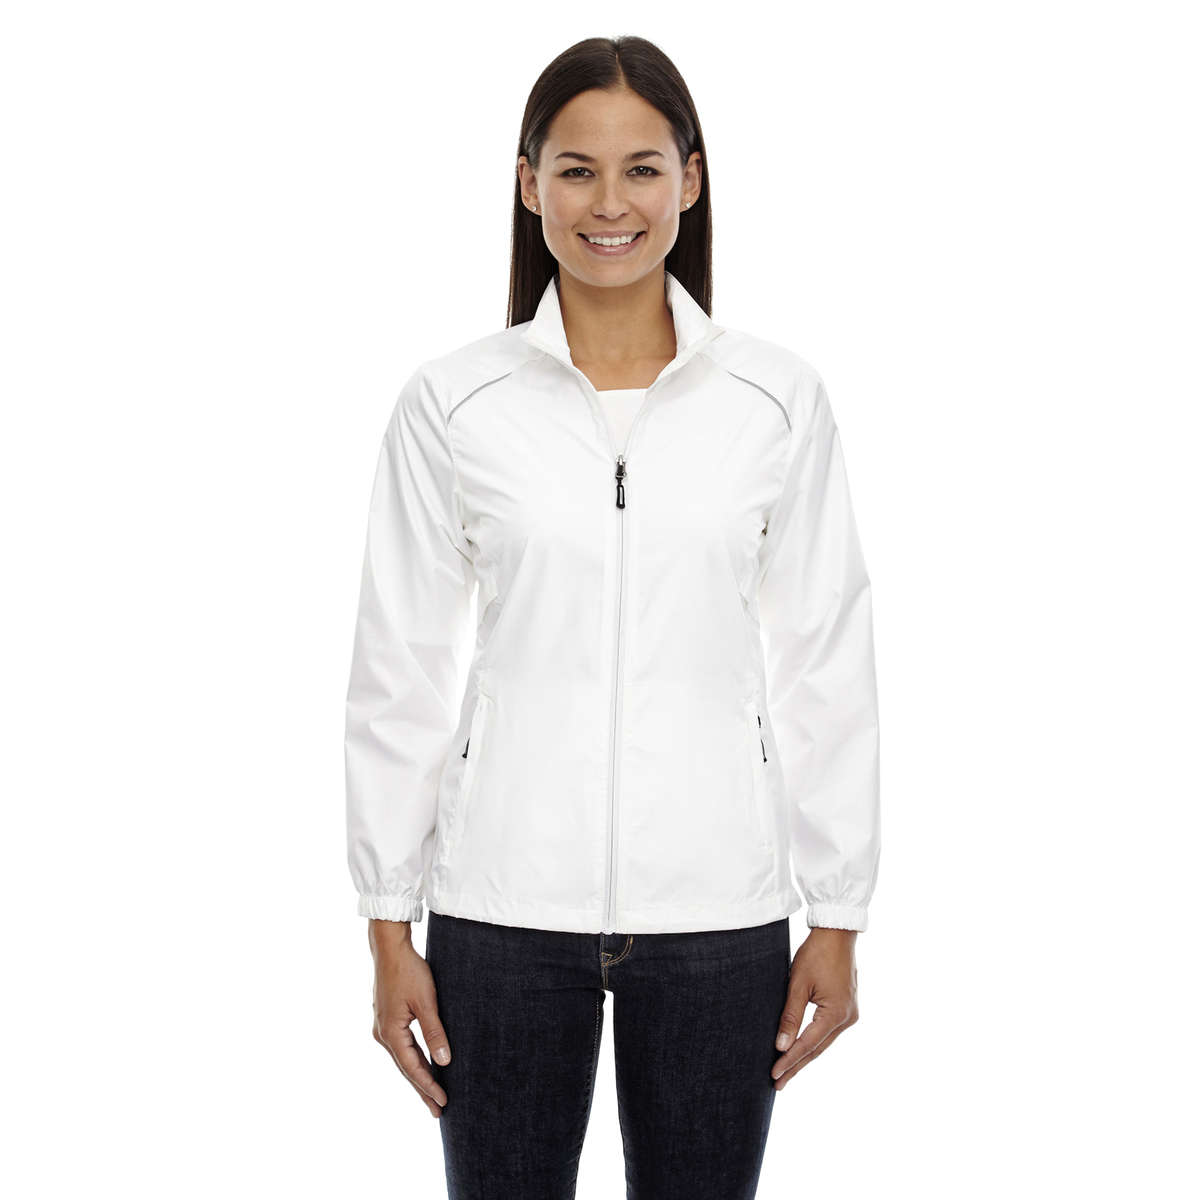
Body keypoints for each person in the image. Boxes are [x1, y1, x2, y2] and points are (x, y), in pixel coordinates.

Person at [344, 35, 881, 1200]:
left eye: (642, 169)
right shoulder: (454, 403)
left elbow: (826, 657)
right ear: (528, 183)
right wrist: (388, 923)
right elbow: (400, 666)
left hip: (720, 914)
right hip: (498, 913)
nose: (609, 204)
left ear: (691, 179)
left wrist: (838, 913)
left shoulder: (775, 400)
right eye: (575, 170)